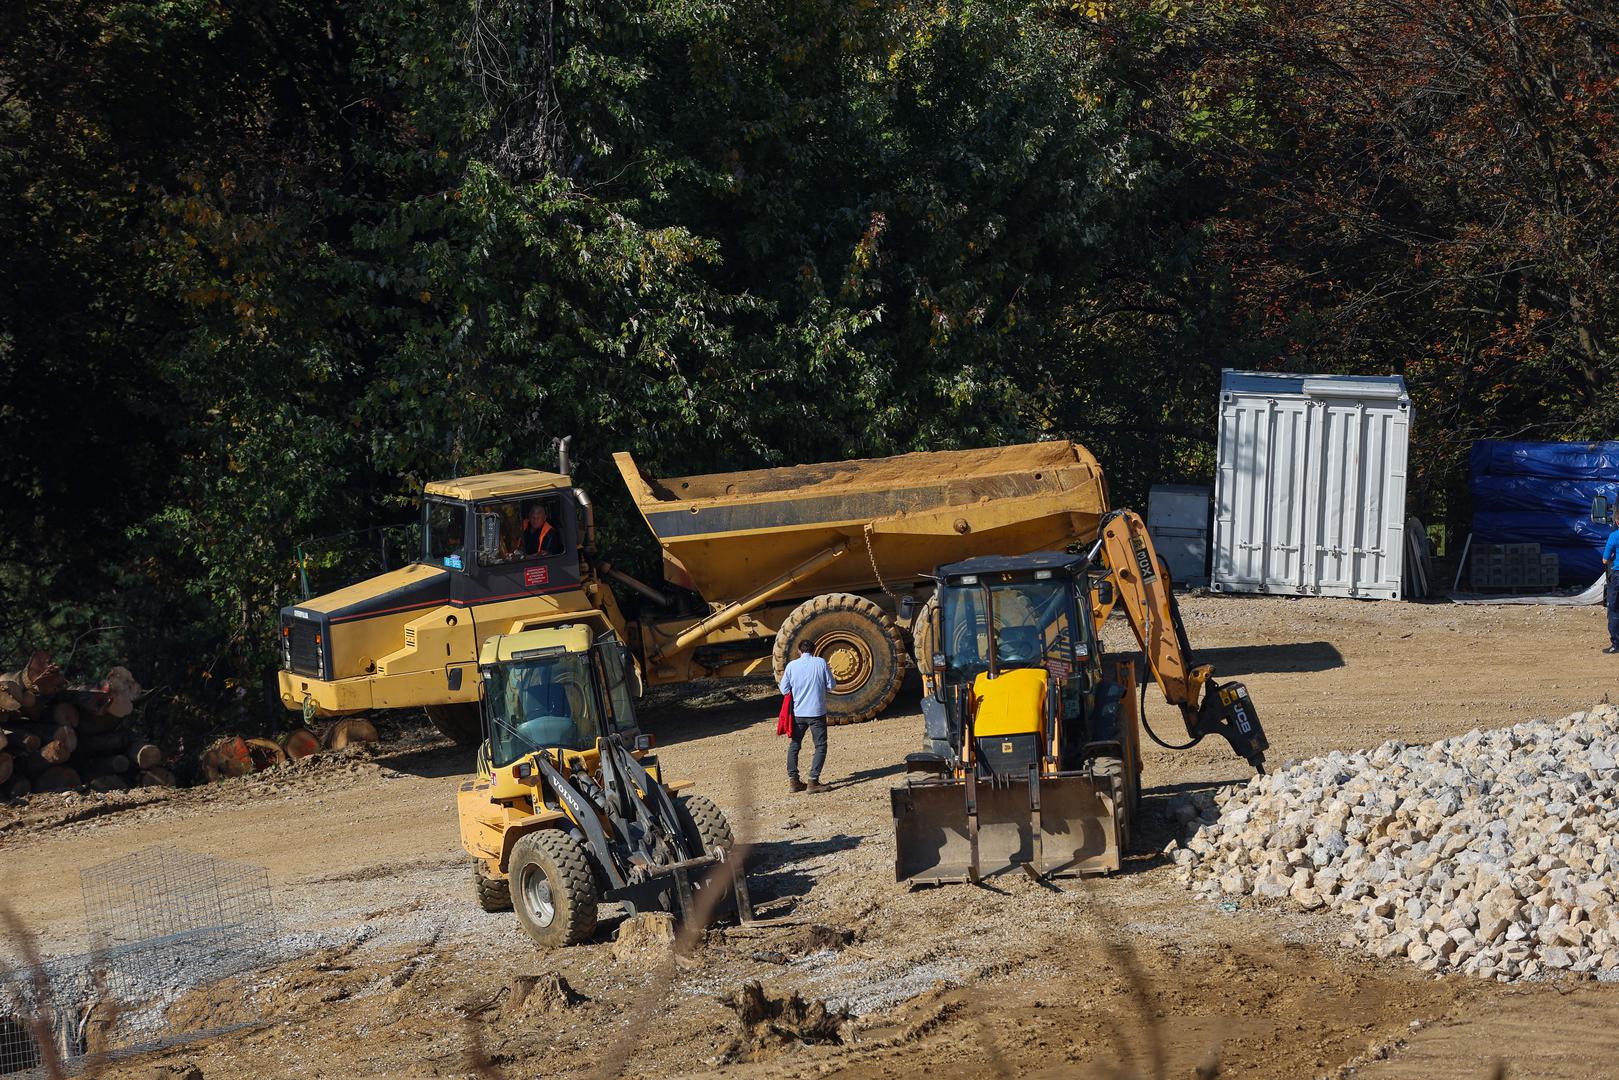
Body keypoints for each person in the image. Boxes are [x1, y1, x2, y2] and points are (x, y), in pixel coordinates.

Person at [779, 640, 834, 793]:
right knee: (820, 746)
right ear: (814, 650)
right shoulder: (820, 662)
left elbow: (784, 690)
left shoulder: (791, 666)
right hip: (817, 712)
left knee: (795, 745)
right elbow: (831, 686)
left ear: (799, 651)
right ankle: (813, 781)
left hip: (798, 713)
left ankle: (794, 781)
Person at [1604, 526, 1619, 653]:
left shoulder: (1614, 536)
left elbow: (1605, 559)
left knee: (1614, 609)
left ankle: (1616, 644)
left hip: (1618, 575)